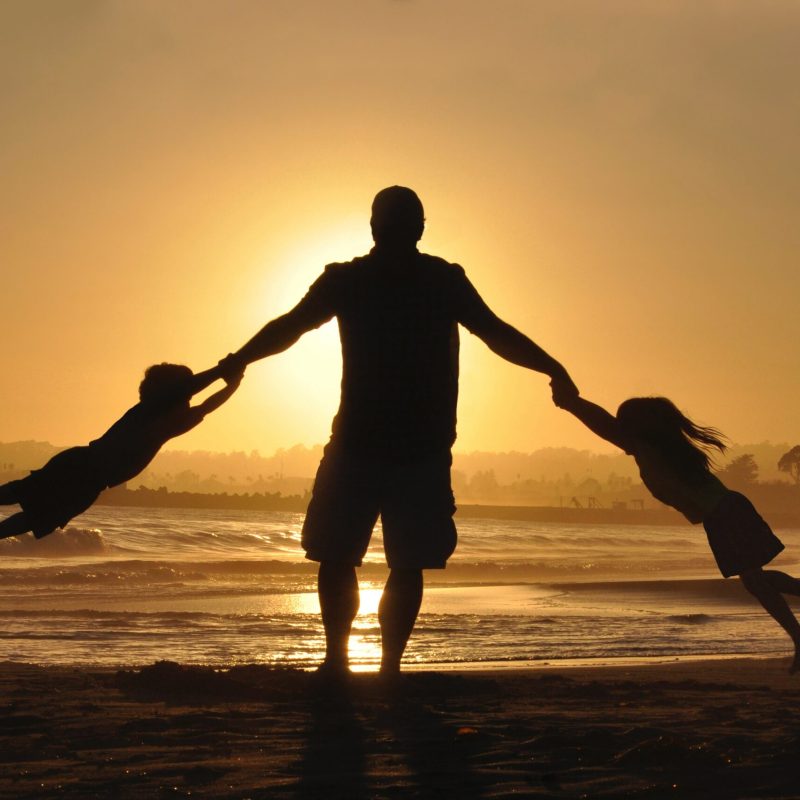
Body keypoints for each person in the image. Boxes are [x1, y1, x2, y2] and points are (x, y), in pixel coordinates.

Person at [218, 186, 577, 677]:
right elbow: (495, 333)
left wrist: (240, 360)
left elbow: (291, 327)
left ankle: (339, 661)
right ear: (420, 228)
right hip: (416, 448)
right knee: (401, 563)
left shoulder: (355, 280)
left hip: (367, 445)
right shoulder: (438, 281)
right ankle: (386, 667)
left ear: (373, 227)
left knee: (340, 556)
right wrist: (552, 367)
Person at [551, 388, 800, 673]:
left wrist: (572, 404)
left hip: (724, 512)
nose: (619, 427)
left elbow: (603, 425)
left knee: (754, 581)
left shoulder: (650, 447)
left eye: (624, 421)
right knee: (755, 580)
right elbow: (609, 426)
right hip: (727, 510)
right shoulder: (666, 446)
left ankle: (799, 639)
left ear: (636, 425)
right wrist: (572, 403)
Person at [0, 362, 243, 541]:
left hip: (90, 477)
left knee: (36, 512)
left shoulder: (169, 424)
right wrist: (225, 375)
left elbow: (206, 406)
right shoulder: (148, 410)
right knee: (25, 495)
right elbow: (196, 398)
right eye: (185, 395)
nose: (188, 400)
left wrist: (232, 382)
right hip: (84, 467)